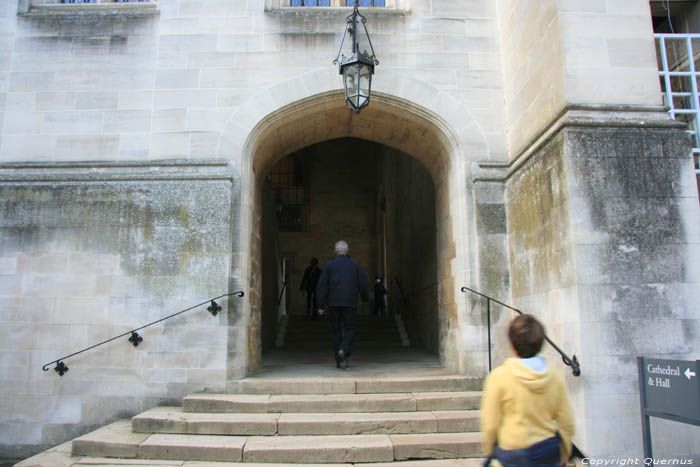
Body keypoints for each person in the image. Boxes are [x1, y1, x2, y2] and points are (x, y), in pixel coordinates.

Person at [480, 314, 575, 467]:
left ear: (511, 345)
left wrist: (491, 451)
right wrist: (564, 455)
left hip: (512, 452)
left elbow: (490, 424)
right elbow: (566, 421)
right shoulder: (554, 377)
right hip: (546, 451)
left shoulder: (498, 377)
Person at [316, 240, 369, 369]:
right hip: (349, 303)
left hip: (333, 303)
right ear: (347, 251)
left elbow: (322, 286)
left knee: (335, 332)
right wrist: (365, 297)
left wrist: (320, 305)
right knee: (350, 329)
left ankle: (339, 361)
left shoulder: (329, 266)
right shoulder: (355, 265)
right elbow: (363, 284)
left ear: (335, 251)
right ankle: (344, 349)